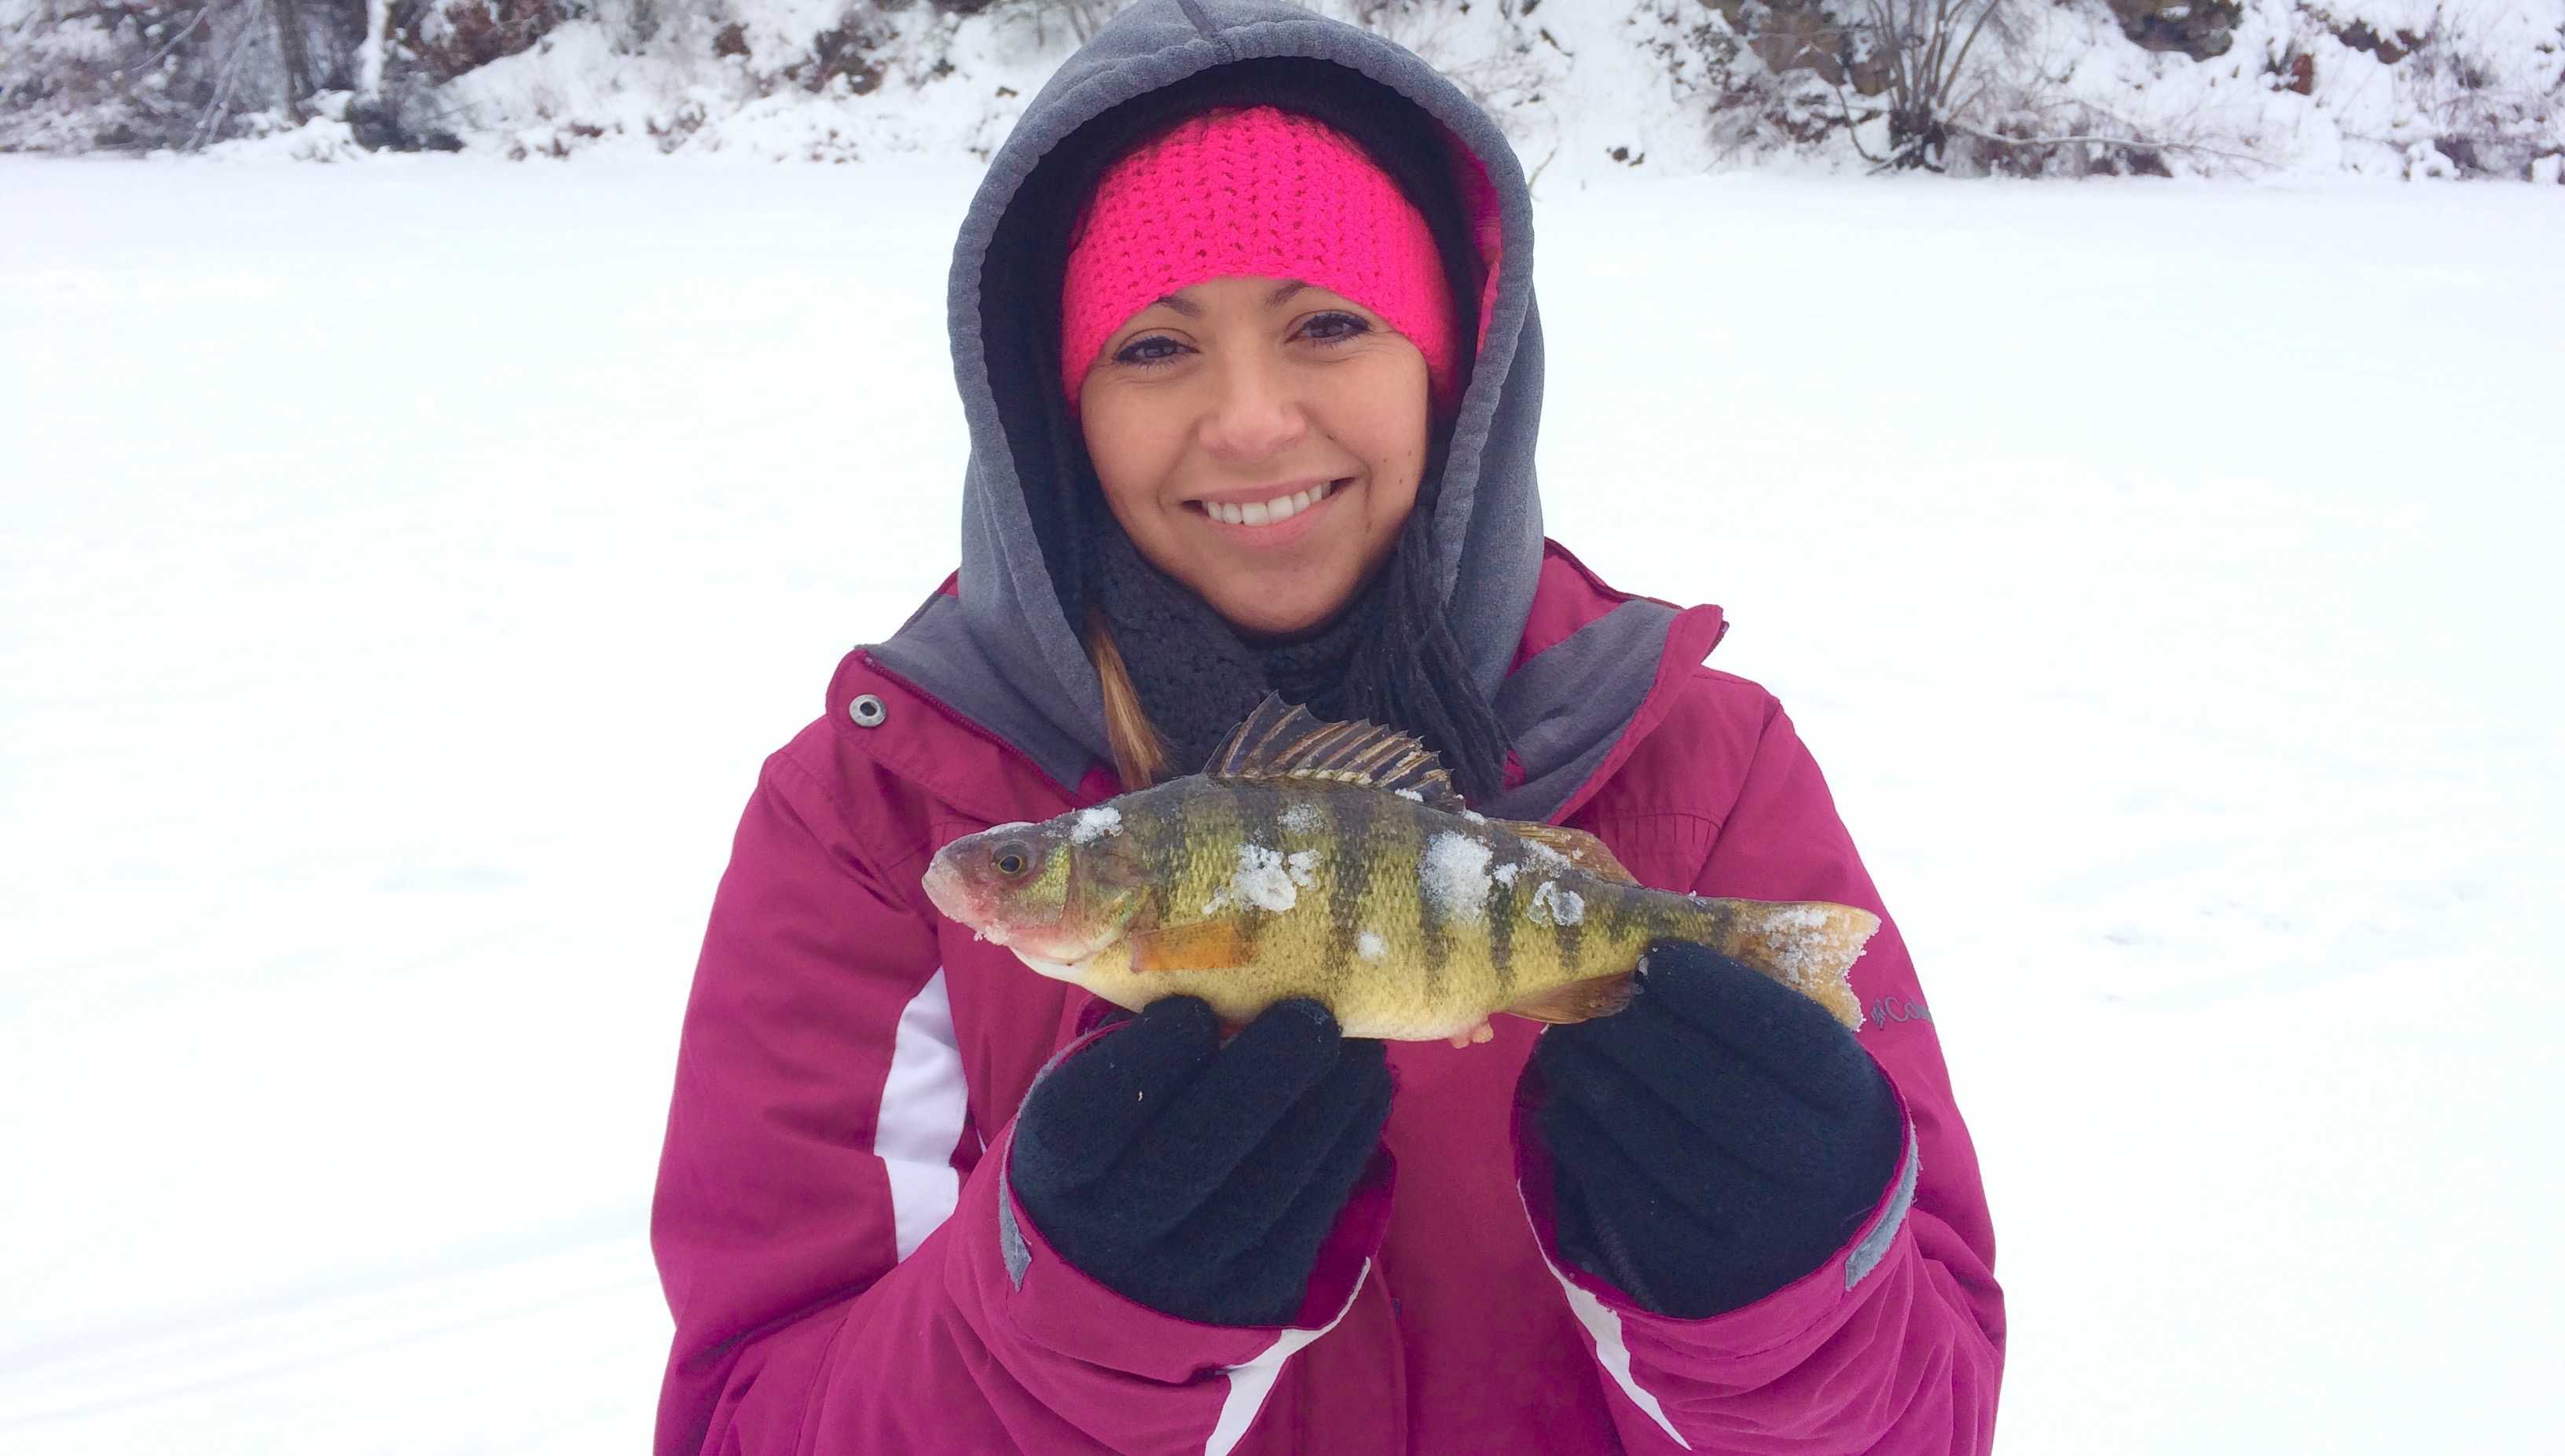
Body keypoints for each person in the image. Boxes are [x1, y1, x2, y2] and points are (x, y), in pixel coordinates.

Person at [648, 2, 2002, 1451]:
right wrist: (1061, 1332)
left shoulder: (1706, 766)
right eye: (1157, 345)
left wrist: (1798, 1295)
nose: (1250, 421)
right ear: (1060, 407)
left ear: (1451, 368)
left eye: (1329, 324)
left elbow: (1928, 1417)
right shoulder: (870, 812)